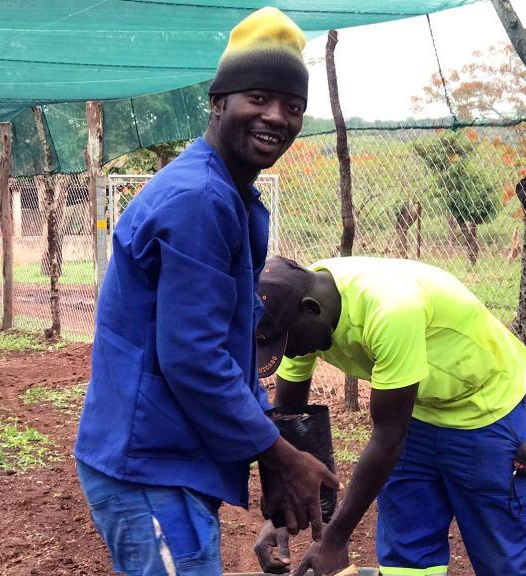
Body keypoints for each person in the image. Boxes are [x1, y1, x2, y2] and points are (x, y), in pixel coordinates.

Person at [73, 7, 338, 575]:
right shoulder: (200, 200)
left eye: (293, 106)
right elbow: (193, 358)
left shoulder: (229, 195)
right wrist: (277, 454)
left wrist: (267, 441)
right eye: (258, 98)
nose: (277, 117)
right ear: (218, 102)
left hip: (163, 456)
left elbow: (225, 344)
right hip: (149, 463)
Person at [253, 256, 526, 576]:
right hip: (416, 408)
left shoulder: (391, 308)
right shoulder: (295, 304)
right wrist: (278, 516)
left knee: (502, 556)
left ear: (311, 309)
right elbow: (292, 419)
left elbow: (389, 436)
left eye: (286, 344)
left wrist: (334, 539)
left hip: (483, 409)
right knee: (407, 559)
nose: (287, 354)